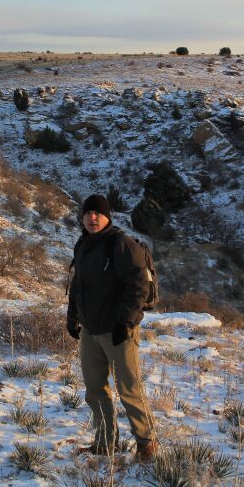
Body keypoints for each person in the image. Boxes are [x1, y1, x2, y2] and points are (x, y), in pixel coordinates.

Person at [66, 194, 157, 462]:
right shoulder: (82, 244)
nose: (93, 218)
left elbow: (138, 286)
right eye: (88, 213)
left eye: (98, 213)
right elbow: (78, 287)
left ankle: (146, 443)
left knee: (129, 388)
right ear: (82, 217)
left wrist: (125, 322)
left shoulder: (121, 244)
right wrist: (72, 317)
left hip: (118, 330)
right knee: (95, 388)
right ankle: (105, 442)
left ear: (107, 217)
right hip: (91, 330)